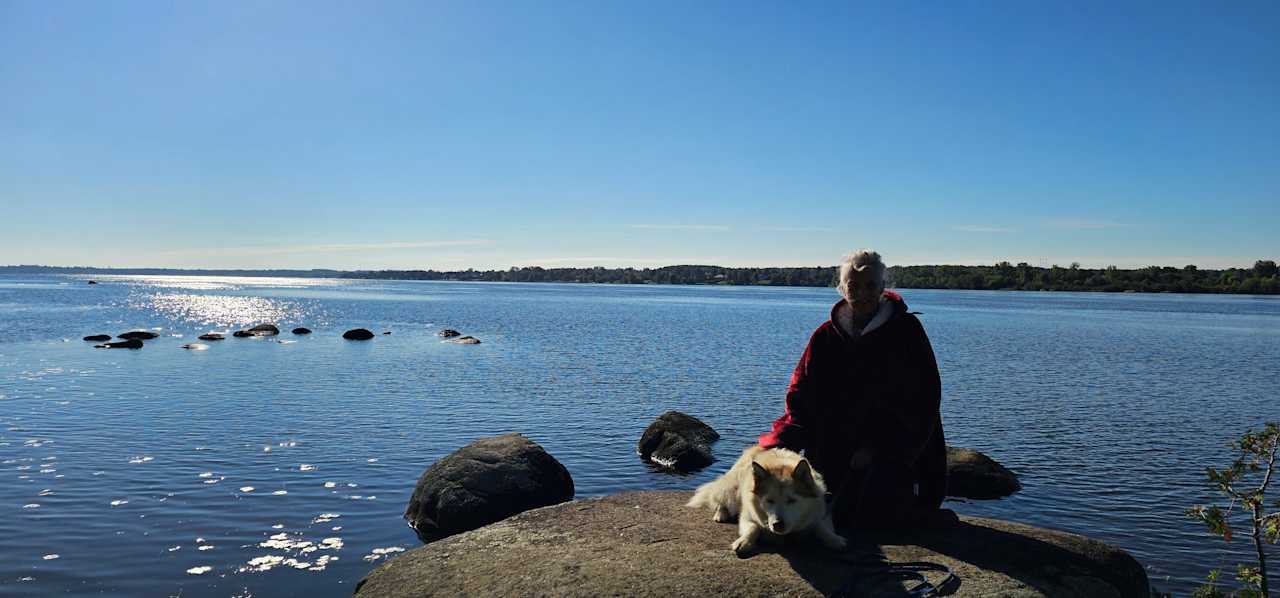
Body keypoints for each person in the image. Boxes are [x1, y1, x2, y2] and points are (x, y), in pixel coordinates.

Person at [758, 249, 953, 530]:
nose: (861, 293)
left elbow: (924, 401)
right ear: (841, 288)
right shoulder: (825, 335)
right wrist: (780, 443)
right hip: (833, 448)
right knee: (824, 515)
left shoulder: (907, 332)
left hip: (897, 449)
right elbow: (801, 393)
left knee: (881, 520)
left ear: (883, 287)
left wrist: (876, 447)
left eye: (870, 286)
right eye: (853, 286)